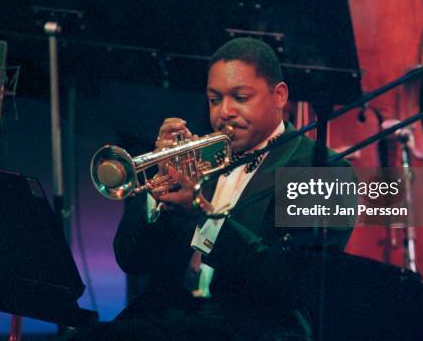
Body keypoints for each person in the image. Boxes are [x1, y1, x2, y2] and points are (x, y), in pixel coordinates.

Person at [86, 38, 353, 340]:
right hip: (168, 318)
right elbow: (131, 260)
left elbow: (292, 284)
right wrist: (157, 193)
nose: (224, 112)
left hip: (251, 327)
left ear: (279, 95)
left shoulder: (326, 171)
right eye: (214, 99)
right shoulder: (198, 159)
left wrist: (201, 216)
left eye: (240, 97)